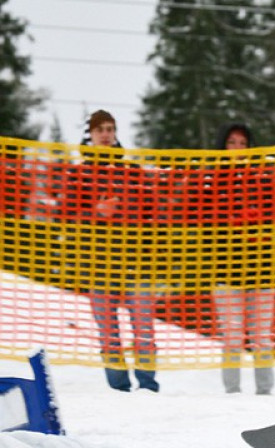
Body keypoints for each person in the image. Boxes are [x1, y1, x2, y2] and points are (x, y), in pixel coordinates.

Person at [68, 110, 159, 392]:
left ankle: (147, 385)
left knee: (144, 329)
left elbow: (150, 212)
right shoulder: (79, 174)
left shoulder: (132, 172)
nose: (106, 134)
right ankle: (118, 387)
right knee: (109, 333)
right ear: (91, 135)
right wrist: (95, 212)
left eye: (110, 129)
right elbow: (68, 216)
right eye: (100, 130)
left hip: (135, 263)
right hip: (98, 265)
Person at [212, 123, 275, 395]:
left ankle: (264, 393)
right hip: (225, 272)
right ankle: (232, 393)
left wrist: (257, 226)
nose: (237, 148)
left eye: (242, 143)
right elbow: (197, 222)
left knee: (262, 337)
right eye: (232, 142)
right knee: (232, 337)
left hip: (261, 271)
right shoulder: (211, 182)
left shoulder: (262, 180)